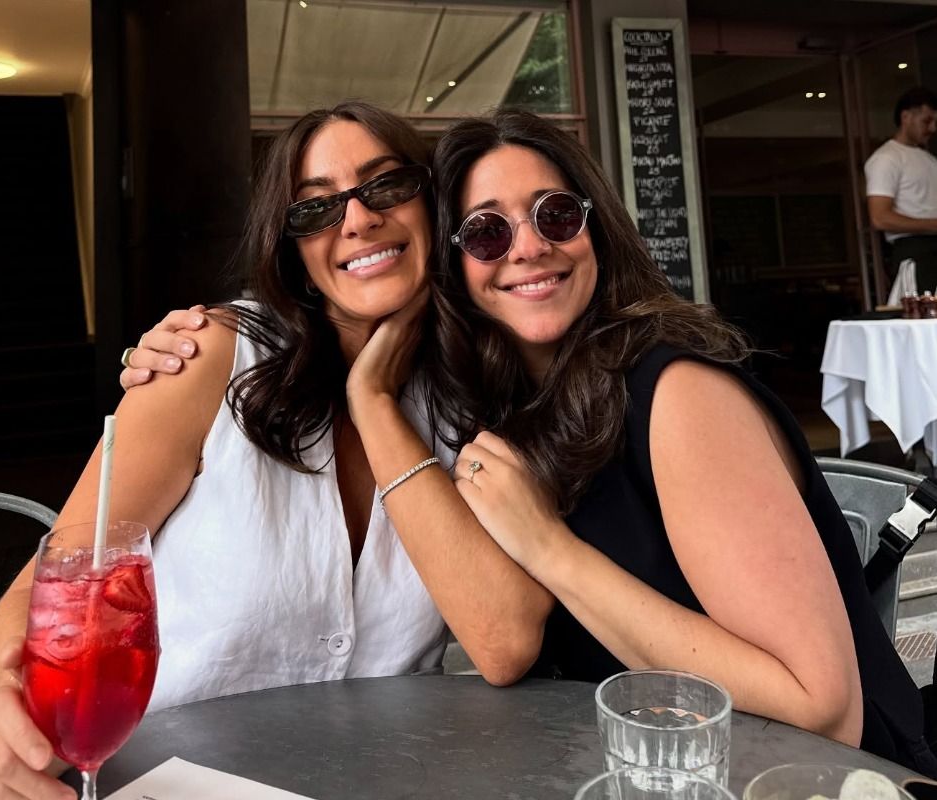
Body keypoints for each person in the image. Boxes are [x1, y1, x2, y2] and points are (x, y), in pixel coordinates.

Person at [129, 108, 937, 778]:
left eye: (554, 215)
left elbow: (820, 709)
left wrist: (550, 549)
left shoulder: (676, 393)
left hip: (812, 779)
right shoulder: (492, 413)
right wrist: (367, 395)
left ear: (595, 228)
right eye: (485, 232)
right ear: (451, 262)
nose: (525, 247)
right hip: (642, 770)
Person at [0, 103, 552, 800]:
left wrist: (372, 399)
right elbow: (49, 588)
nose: (357, 219)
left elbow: (502, 642)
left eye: (385, 184)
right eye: (315, 208)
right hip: (166, 783)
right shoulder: (208, 358)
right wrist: (10, 696)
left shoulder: (476, 394)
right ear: (294, 251)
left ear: (431, 205)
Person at [865, 85, 937, 293]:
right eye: (927, 121)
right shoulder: (886, 158)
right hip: (915, 251)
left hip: (931, 245)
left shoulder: (929, 160)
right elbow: (880, 218)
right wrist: (934, 225)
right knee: (924, 312)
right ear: (906, 117)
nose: (932, 128)